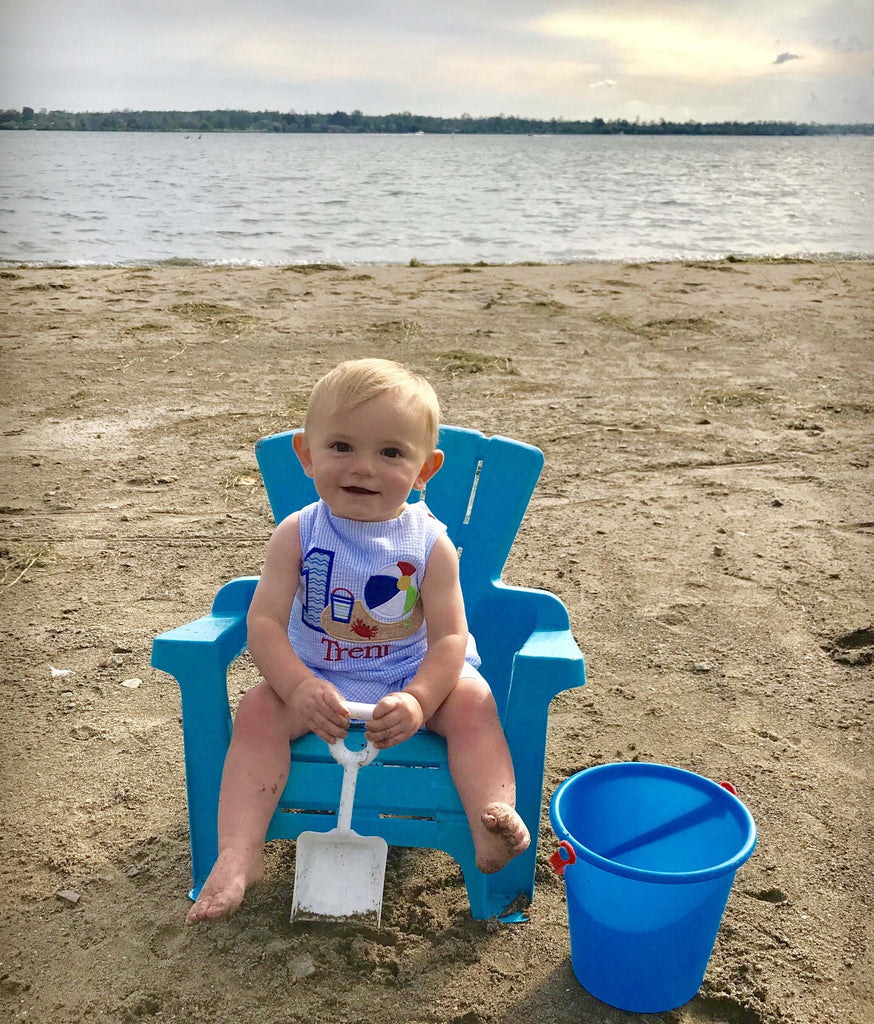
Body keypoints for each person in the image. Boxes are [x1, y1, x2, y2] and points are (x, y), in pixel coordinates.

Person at [186, 358, 530, 923]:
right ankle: (241, 852)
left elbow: (450, 637)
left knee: (473, 701)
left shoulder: (430, 543)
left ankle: (491, 820)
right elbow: (264, 625)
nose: (364, 468)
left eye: (391, 453)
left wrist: (421, 698)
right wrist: (295, 688)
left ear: (425, 470)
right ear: (306, 454)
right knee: (256, 709)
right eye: (342, 446)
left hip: (409, 675)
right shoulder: (297, 533)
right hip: (318, 680)